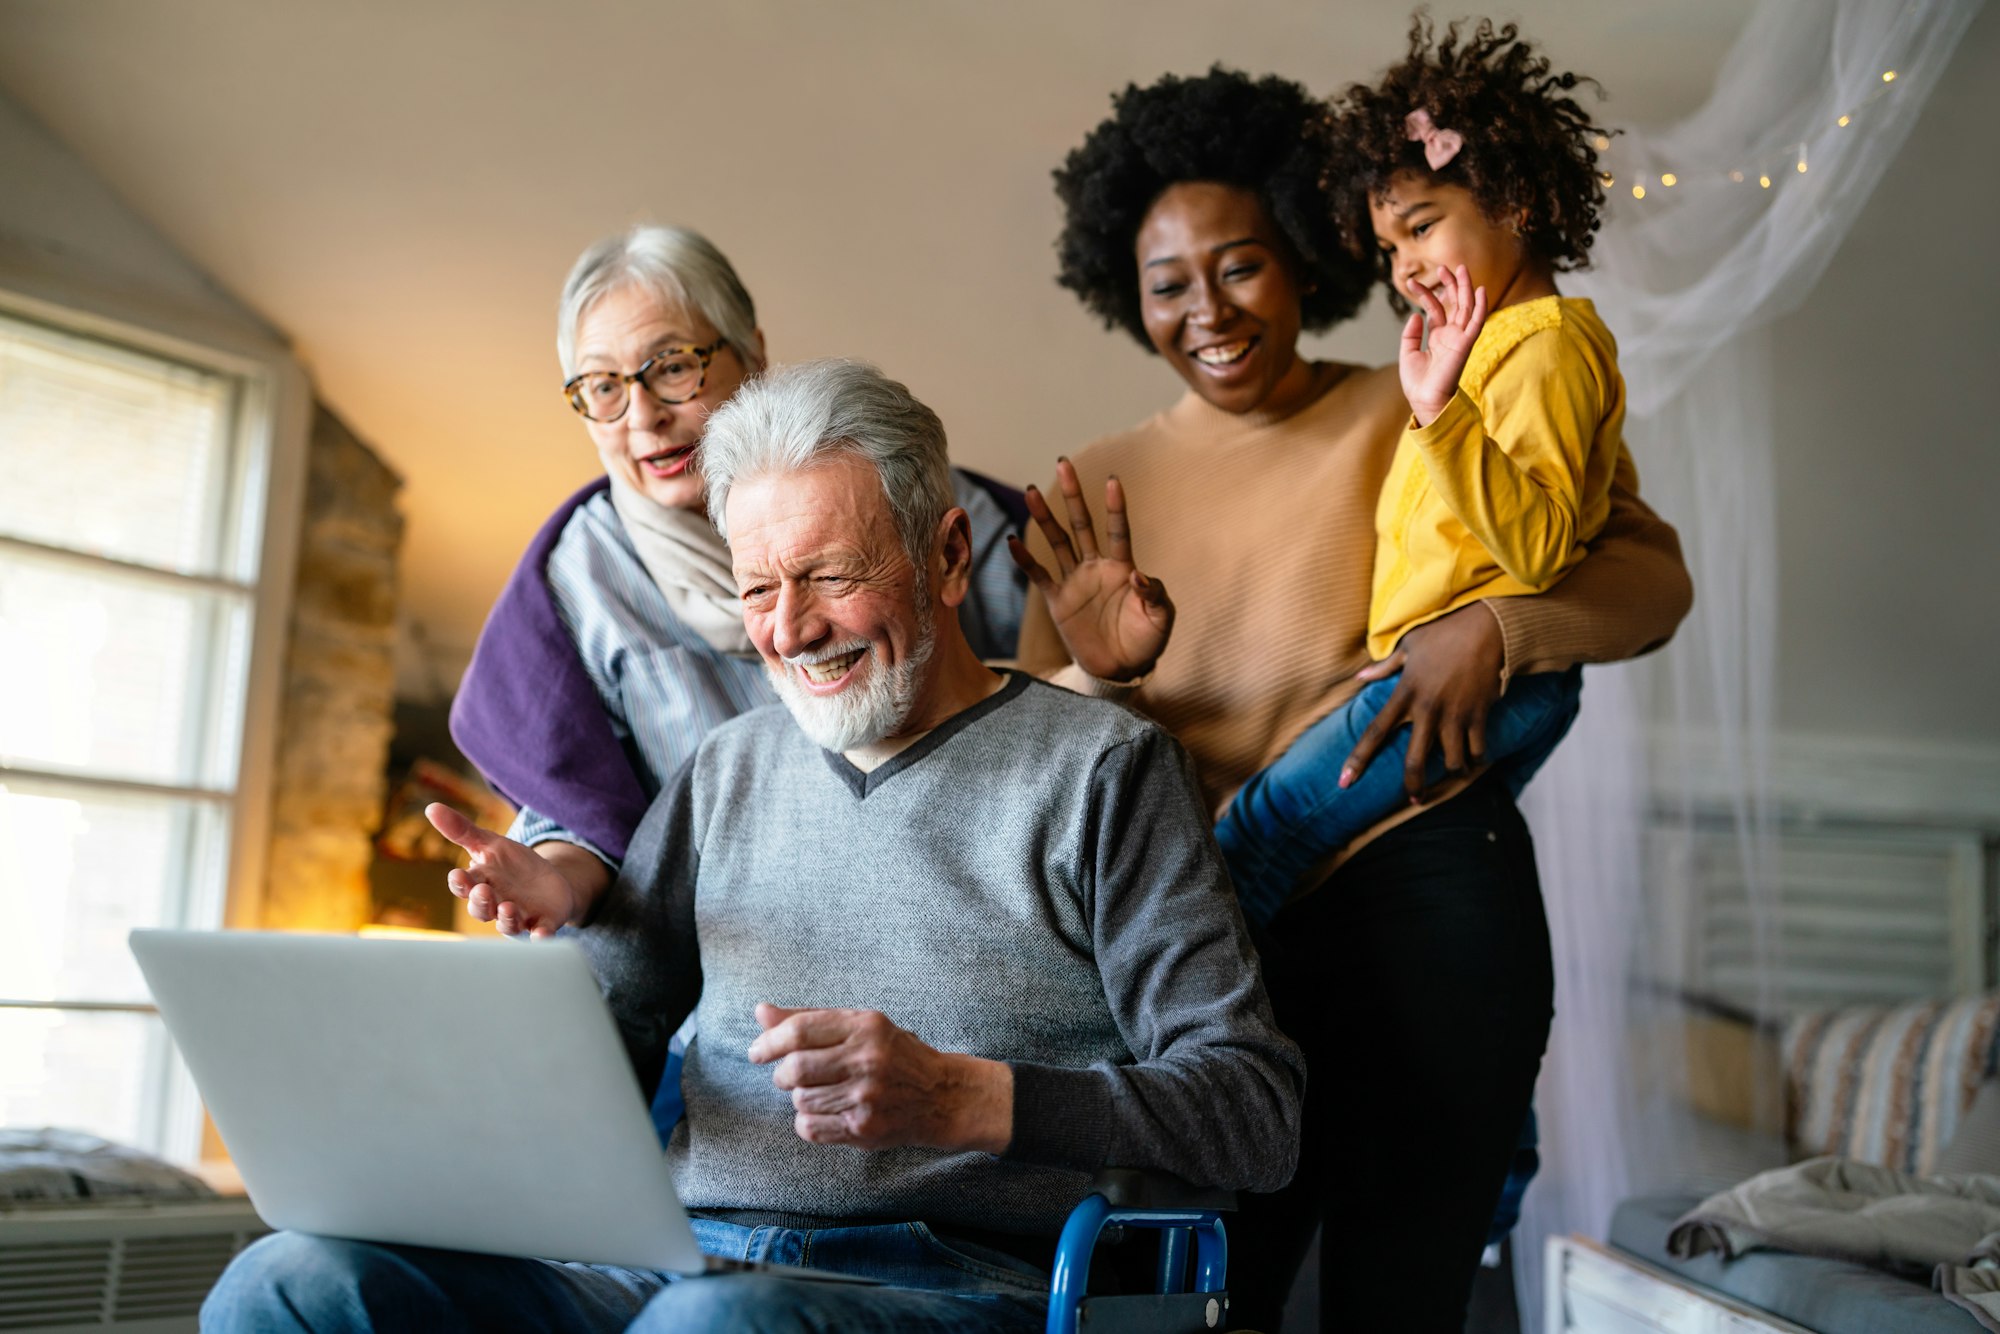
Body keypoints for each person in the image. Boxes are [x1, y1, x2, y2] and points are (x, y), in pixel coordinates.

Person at [202, 359, 1304, 1334]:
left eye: (830, 575)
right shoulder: (724, 768)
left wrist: (966, 1097)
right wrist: (504, 997)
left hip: (953, 1284)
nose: (792, 627)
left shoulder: (1102, 771)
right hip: (672, 1267)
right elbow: (606, 1036)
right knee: (291, 1282)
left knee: (718, 1323)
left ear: (949, 552)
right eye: (758, 588)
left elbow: (1252, 1113)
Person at [1013, 65, 1692, 1332]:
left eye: (1241, 264)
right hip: (1215, 950)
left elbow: (1649, 578)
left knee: (1399, 1295)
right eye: (1168, 283)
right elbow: (1039, 775)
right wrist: (1093, 671)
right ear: (1127, 292)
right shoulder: (1089, 485)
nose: (1206, 310)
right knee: (1216, 1299)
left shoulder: (1426, 385)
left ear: (1305, 261)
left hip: (1427, 889)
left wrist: (1495, 629)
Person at [447, 225, 1026, 917]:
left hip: (954, 898)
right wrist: (553, 883)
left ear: (752, 353)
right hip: (735, 946)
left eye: (671, 366)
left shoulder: (897, 500)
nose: (644, 416)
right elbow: (587, 823)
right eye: (602, 386)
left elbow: (1040, 704)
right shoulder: (580, 588)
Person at [1213, 20, 1627, 927]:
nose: (1406, 268)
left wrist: (1441, 417)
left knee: (1254, 836)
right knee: (1337, 864)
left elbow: (1543, 546)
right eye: (1391, 249)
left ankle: (1185, 1048)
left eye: (1423, 228)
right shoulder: (1493, 350)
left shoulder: (1547, 350)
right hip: (1446, 671)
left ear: (1516, 202)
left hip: (1503, 678)